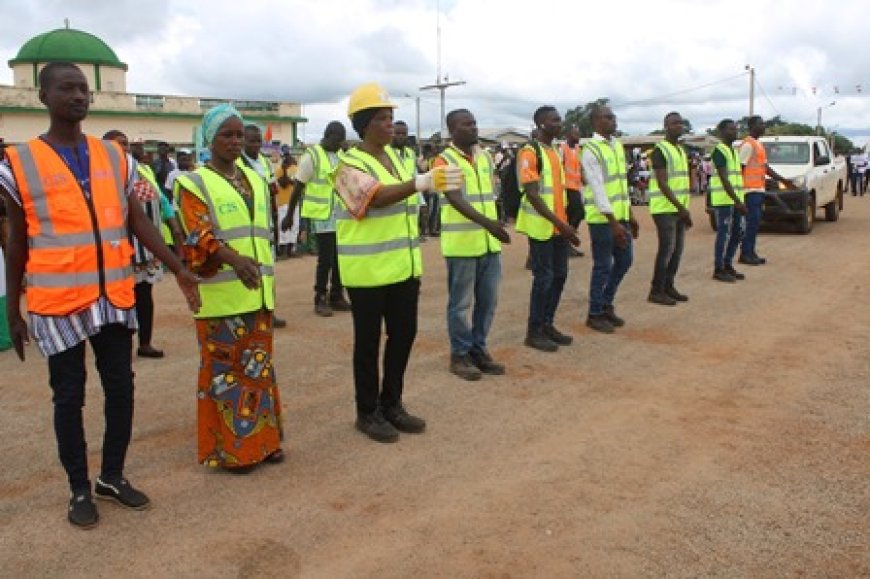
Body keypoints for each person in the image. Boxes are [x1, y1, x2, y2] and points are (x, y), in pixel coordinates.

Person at [0, 62, 200, 528]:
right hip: (60, 302)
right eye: (66, 88)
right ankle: (78, 489)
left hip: (113, 295)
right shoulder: (19, 161)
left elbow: (137, 220)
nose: (78, 96)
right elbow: (16, 241)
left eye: (84, 89)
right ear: (43, 96)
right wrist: (14, 308)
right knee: (68, 397)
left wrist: (179, 268)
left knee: (121, 389)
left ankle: (112, 476)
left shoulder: (114, 156)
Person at [335, 82, 460, 443]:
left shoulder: (400, 159)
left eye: (391, 118)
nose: (390, 124)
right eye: (381, 118)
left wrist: (428, 184)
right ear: (363, 125)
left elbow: (408, 202)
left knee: (404, 335)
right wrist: (421, 182)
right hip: (368, 272)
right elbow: (374, 198)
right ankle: (367, 411)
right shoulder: (347, 164)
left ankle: (392, 404)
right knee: (368, 343)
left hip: (403, 267)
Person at [175, 104, 284, 472]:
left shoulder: (254, 178)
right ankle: (233, 451)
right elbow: (197, 234)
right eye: (227, 134)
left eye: (239, 134)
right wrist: (234, 260)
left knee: (258, 369)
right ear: (210, 139)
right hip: (221, 296)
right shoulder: (193, 182)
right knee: (226, 375)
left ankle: (265, 443)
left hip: (258, 293)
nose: (236, 141)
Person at [431, 109, 510, 380]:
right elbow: (454, 198)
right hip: (462, 245)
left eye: (475, 123)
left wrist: (495, 222)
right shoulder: (442, 161)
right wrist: (490, 224)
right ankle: (460, 354)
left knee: (488, 301)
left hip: (488, 244)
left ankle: (479, 349)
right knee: (461, 305)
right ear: (452, 130)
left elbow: (489, 194)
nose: (474, 128)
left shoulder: (484, 157)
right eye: (467, 125)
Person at [108, 132, 185, 359]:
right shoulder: (104, 174)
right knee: (120, 299)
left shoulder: (143, 170)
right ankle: (120, 346)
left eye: (127, 144)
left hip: (146, 247)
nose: (125, 148)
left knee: (144, 296)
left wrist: (175, 228)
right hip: (120, 247)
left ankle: (145, 343)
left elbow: (162, 200)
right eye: (119, 144)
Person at [516, 106, 580, 352]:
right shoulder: (530, 152)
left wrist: (565, 223)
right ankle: (534, 332)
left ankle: (547, 324)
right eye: (554, 120)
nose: (559, 123)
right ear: (541, 123)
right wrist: (561, 224)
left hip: (558, 227)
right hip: (542, 227)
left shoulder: (555, 150)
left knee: (560, 276)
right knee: (543, 279)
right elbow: (532, 195)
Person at [282, 122, 351, 316]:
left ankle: (337, 295)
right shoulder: (311, 156)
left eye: (342, 140)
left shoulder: (340, 156)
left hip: (340, 214)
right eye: (338, 140)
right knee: (326, 259)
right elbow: (298, 188)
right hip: (322, 215)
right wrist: (289, 215)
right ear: (328, 136)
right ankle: (320, 297)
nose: (340, 144)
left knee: (340, 259)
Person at [581, 104, 638, 333]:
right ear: (596, 122)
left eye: (614, 117)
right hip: (602, 219)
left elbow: (622, 187)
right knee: (603, 265)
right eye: (608, 118)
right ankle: (595, 313)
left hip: (620, 216)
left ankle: (606, 303)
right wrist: (613, 223)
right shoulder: (591, 150)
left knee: (625, 261)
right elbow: (597, 188)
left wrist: (630, 214)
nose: (613, 121)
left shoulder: (616, 145)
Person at [238, 124, 288, 328]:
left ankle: (268, 311)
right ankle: (250, 312)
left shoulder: (265, 163)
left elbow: (272, 190)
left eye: (258, 141)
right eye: (251, 140)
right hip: (246, 225)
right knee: (249, 268)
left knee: (268, 270)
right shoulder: (237, 164)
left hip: (265, 223)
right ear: (242, 142)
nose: (256, 144)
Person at [647, 112, 692, 306]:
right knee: (667, 249)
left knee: (677, 250)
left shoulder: (681, 150)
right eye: (674, 123)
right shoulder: (659, 150)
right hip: (664, 208)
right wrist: (681, 207)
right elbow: (663, 183)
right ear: (665, 126)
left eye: (681, 123)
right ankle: (656, 290)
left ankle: (668, 286)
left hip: (679, 208)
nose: (679, 126)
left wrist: (683, 209)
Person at [739, 115, 795, 265]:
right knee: (751, 223)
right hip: (749, 191)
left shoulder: (757, 144)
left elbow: (765, 168)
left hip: (758, 189)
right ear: (751, 126)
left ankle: (750, 252)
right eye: (760, 124)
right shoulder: (748, 145)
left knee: (755, 223)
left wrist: (783, 180)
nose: (764, 126)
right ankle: (746, 254)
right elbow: (740, 168)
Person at [710, 119, 748, 283]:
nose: (735, 132)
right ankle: (719, 268)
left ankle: (727, 264)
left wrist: (739, 200)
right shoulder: (719, 151)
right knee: (723, 234)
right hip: (724, 200)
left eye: (736, 129)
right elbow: (724, 179)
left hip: (734, 199)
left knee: (738, 232)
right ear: (722, 132)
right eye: (731, 129)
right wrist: (737, 201)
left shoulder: (733, 151)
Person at [561, 124, 585, 258]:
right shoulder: (562, 149)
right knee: (578, 212)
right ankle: (567, 240)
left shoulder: (577, 149)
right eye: (575, 134)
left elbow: (579, 168)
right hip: (566, 188)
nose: (578, 137)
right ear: (567, 135)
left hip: (576, 187)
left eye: (579, 134)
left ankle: (567, 241)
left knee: (574, 215)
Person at [274, 145, 299, 257]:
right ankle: (283, 250)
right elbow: (283, 184)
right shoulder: (280, 170)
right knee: (283, 225)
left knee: (295, 225)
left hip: (294, 202)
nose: (289, 158)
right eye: (286, 156)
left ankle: (291, 249)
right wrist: (284, 171)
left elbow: (297, 183)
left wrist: (290, 179)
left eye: (289, 155)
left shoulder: (296, 168)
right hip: (283, 201)